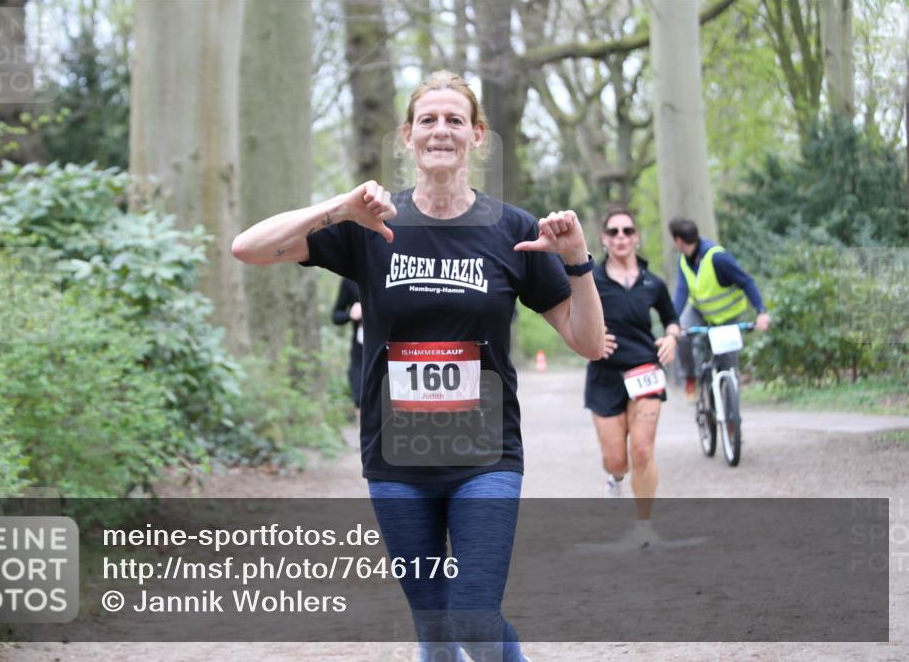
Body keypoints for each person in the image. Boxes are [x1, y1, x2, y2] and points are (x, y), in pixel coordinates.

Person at [232, 70, 605, 662]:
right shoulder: (370, 227)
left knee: (474, 617)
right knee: (434, 630)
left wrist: (579, 262)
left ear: (477, 136)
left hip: (486, 456)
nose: (441, 131)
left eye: (455, 120)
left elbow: (588, 343)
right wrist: (339, 207)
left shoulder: (511, 230)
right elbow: (247, 248)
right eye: (428, 120)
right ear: (407, 136)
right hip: (397, 459)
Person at [586, 208, 679, 547]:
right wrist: (589, 339)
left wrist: (671, 338)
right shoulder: (591, 280)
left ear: (637, 237)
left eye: (627, 231)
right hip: (604, 375)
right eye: (614, 231)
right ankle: (615, 476)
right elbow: (571, 315)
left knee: (642, 449)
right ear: (604, 239)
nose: (621, 237)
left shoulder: (653, 282)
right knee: (617, 458)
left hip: (645, 371)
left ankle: (644, 527)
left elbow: (672, 318)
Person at [669, 218, 770, 398]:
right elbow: (681, 292)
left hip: (727, 318)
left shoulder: (717, 257)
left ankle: (732, 419)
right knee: (681, 336)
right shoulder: (683, 261)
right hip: (699, 312)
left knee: (728, 366)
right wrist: (672, 321)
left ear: (677, 241)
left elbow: (746, 281)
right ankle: (691, 377)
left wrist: (761, 311)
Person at [332, 277, 364, 409]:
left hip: (389, 349)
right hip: (360, 352)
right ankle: (364, 429)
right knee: (360, 399)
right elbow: (336, 316)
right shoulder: (350, 280)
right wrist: (351, 315)